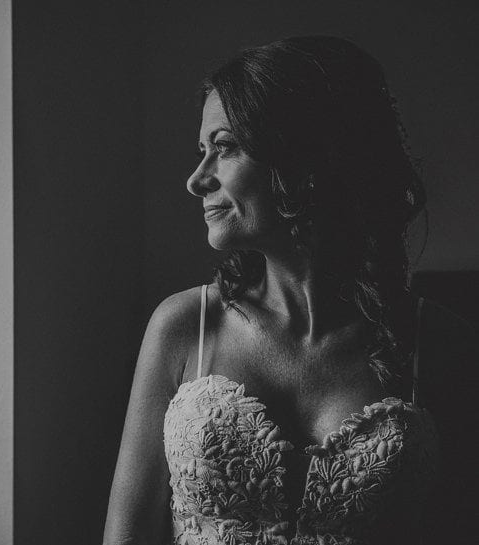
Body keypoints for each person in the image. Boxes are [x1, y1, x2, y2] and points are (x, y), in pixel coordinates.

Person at [103, 36, 476, 545]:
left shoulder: (441, 343)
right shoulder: (183, 327)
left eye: (225, 147)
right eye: (201, 151)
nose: (196, 179)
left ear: (300, 155)